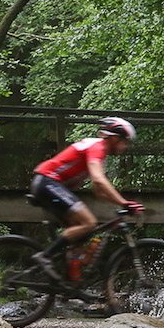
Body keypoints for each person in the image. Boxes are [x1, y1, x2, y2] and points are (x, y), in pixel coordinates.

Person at [27, 116, 143, 280]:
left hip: (49, 185)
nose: (125, 146)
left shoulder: (98, 152)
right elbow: (98, 179)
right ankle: (45, 256)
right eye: (125, 141)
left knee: (80, 237)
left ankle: (70, 286)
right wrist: (123, 202)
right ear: (115, 138)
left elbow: (98, 192)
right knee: (89, 223)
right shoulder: (97, 147)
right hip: (47, 182)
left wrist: (121, 205)